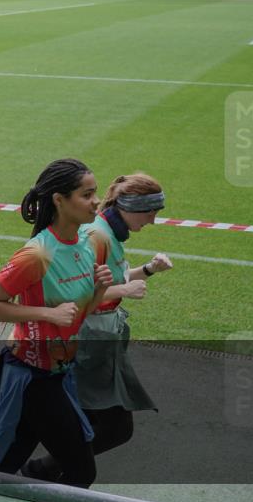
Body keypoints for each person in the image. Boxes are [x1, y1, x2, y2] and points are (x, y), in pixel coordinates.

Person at [22, 173, 173, 482]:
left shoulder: (109, 233)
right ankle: (47, 471)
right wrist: (124, 292)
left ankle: (44, 470)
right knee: (112, 428)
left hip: (100, 340)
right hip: (88, 341)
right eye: (150, 212)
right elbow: (78, 289)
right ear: (130, 206)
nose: (153, 221)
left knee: (96, 423)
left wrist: (147, 270)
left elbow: (111, 281)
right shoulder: (96, 235)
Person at [0, 158, 113, 488]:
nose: (97, 201)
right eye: (87, 194)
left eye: (95, 192)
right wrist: (46, 314)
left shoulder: (93, 242)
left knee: (3, 464)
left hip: (60, 373)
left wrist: (100, 290)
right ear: (59, 200)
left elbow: (76, 316)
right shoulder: (36, 255)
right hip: (31, 378)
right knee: (81, 471)